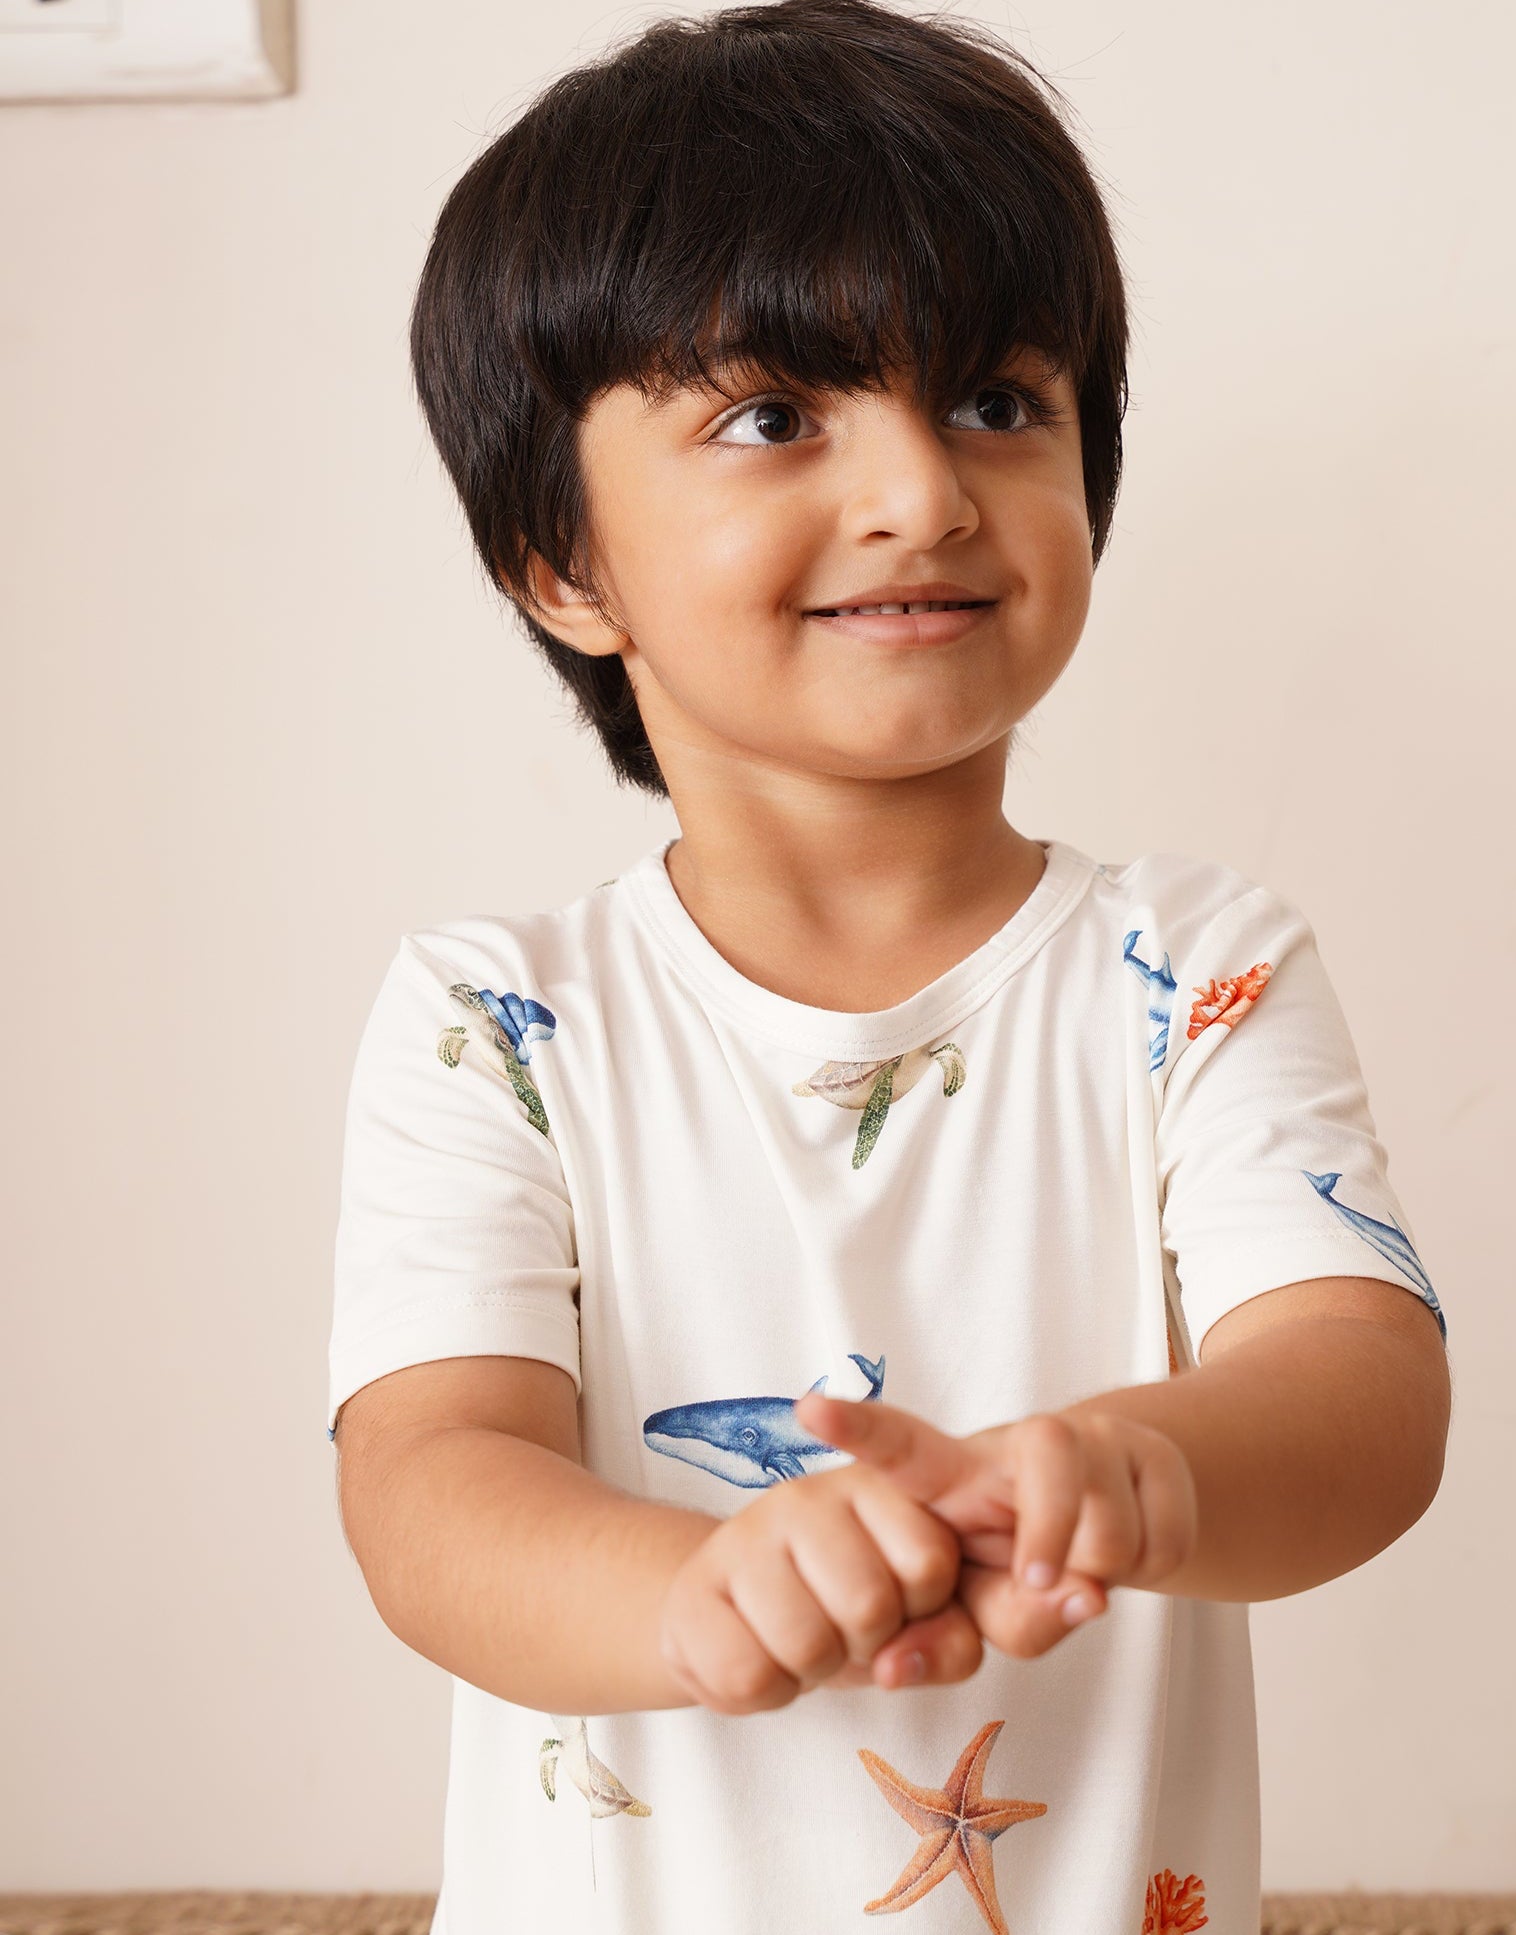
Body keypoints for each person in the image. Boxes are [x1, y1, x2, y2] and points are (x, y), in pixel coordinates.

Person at [326, 2, 1455, 1928]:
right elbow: (430, 1489)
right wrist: (698, 1592)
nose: (922, 493)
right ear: (558, 560)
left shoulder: (1195, 967)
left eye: (998, 402)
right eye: (773, 415)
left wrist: (1141, 1470)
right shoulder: (495, 1019)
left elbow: (1364, 1396)